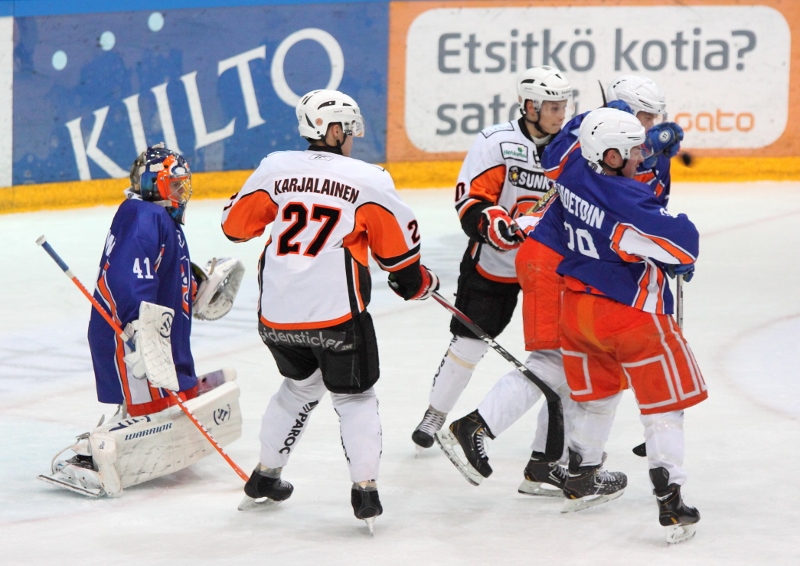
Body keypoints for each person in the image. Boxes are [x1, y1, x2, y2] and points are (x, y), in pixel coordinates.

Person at [221, 89, 439, 532]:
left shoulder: (273, 167)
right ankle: (366, 492)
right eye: (349, 130)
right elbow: (399, 255)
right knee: (354, 396)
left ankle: (265, 477)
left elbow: (233, 226)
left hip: (275, 319)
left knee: (299, 387)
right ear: (334, 130)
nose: (352, 139)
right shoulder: (368, 178)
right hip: (337, 318)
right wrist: (415, 281)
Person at [531, 108, 707, 543]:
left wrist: (652, 161)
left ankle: (583, 473)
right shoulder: (627, 205)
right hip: (631, 314)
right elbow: (682, 246)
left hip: (577, 311)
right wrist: (679, 247)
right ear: (609, 155)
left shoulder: (571, 172)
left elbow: (573, 153)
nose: (639, 157)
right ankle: (670, 496)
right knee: (664, 406)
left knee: (597, 397)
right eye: (631, 151)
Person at [39, 143, 245, 498]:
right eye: (175, 184)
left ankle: (118, 434)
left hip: (159, 334)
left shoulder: (160, 218)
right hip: (135, 333)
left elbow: (162, 270)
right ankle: (91, 455)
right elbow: (125, 276)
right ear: (155, 185)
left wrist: (196, 287)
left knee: (169, 395)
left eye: (183, 184)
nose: (183, 192)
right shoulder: (143, 217)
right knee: (148, 406)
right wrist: (137, 327)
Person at [411, 66, 574, 455]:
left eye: (564, 106)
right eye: (552, 106)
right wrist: (491, 223)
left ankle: (555, 449)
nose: (560, 114)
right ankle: (435, 414)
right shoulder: (495, 142)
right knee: (468, 344)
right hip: (494, 265)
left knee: (557, 355)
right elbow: (471, 199)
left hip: (548, 268)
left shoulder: (573, 146)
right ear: (530, 106)